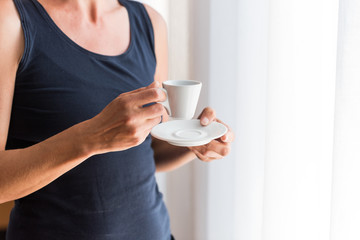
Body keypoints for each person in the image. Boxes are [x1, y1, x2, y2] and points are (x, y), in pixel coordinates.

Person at [0, 0, 234, 239]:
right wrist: (90, 138)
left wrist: (193, 140)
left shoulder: (150, 22)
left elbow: (143, 150)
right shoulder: (10, 18)